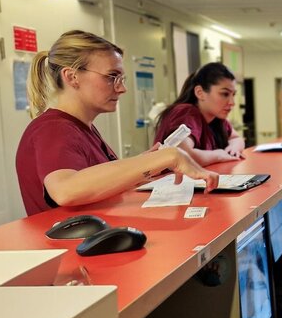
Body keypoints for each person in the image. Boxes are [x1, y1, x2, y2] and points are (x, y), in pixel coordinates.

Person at [17, 30, 218, 216]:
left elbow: (98, 186)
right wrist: (170, 156)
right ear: (72, 76)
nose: (122, 88)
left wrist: (145, 164)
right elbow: (65, 190)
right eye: (112, 77)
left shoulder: (83, 128)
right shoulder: (53, 128)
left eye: (121, 78)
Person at [154, 62, 245, 166]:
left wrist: (233, 148)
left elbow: (236, 138)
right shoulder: (186, 112)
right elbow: (182, 155)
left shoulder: (216, 118)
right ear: (200, 93)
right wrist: (219, 155)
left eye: (233, 94)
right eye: (225, 94)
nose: (232, 102)